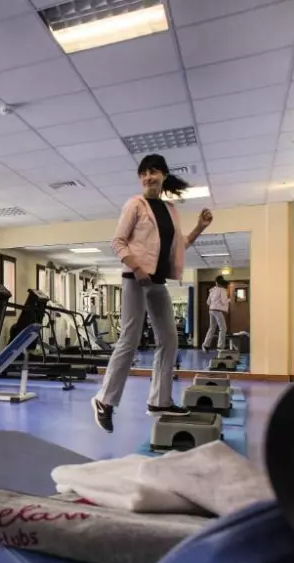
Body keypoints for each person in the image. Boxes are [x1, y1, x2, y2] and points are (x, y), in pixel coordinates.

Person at [91, 154, 214, 433]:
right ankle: (104, 401)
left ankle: (160, 401)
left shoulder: (170, 210)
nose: (149, 177)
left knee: (169, 339)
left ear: (163, 176)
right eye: (144, 173)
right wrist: (137, 269)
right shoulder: (135, 204)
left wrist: (199, 228)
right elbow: (117, 242)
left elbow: (177, 246)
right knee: (130, 339)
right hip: (135, 280)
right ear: (140, 178)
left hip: (157, 282)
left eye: (154, 172)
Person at [202, 275, 231, 352]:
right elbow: (224, 301)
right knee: (223, 328)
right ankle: (220, 346)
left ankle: (205, 345)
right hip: (217, 311)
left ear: (216, 282)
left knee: (212, 328)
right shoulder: (222, 290)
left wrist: (214, 303)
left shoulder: (212, 290)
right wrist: (229, 300)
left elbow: (208, 302)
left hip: (211, 310)